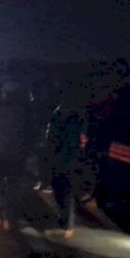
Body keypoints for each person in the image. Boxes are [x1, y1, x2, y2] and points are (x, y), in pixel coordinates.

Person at [0, 81, 34, 230]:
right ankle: (9, 219)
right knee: (13, 186)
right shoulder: (26, 113)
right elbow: (31, 134)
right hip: (17, 154)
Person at [42, 96, 85, 238]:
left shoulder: (60, 116)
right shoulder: (76, 117)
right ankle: (66, 224)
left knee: (63, 192)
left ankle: (65, 226)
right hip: (69, 160)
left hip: (61, 160)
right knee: (65, 192)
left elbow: (53, 140)